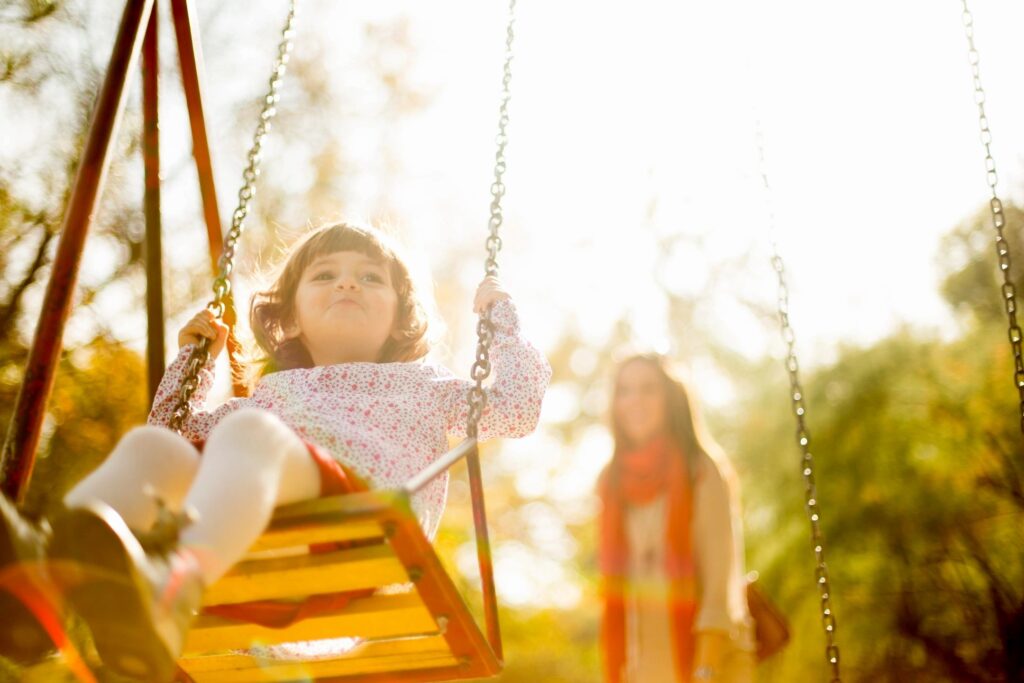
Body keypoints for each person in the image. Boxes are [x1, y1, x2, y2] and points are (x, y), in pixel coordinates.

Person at [0, 222, 550, 681]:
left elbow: (517, 408)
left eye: (370, 278)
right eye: (325, 275)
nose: (348, 285)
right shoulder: (268, 397)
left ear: (402, 316)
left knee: (249, 433)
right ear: (288, 314)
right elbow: (170, 429)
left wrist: (501, 320)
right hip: (243, 555)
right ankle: (43, 582)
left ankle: (167, 589)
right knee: (153, 448)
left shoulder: (424, 386)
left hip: (357, 546)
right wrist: (196, 361)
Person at [598, 354, 755, 683]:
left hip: (710, 661)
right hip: (644, 668)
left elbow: (720, 582)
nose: (635, 401)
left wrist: (705, 669)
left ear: (671, 398)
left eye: (648, 389)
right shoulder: (610, 481)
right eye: (624, 391)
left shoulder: (701, 468)